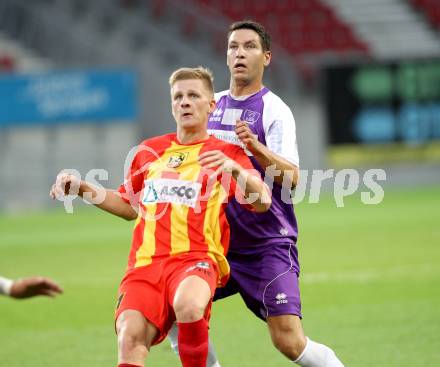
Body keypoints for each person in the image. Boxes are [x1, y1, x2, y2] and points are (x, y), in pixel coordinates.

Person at [50, 66, 271, 367]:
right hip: (145, 265)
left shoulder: (225, 153)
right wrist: (82, 187)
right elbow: (128, 206)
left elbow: (263, 201)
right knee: (129, 336)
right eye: (178, 96)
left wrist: (235, 171)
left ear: (211, 105)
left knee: (189, 306)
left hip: (196, 258)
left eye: (193, 95)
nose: (185, 102)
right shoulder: (149, 152)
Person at [168, 21, 345, 367]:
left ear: (266, 57)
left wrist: (255, 147)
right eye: (233, 46)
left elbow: (291, 179)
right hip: (215, 242)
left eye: (249, 47)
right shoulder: (210, 104)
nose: (239, 53)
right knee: (174, 308)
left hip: (265, 244)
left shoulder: (274, 110)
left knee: (288, 340)